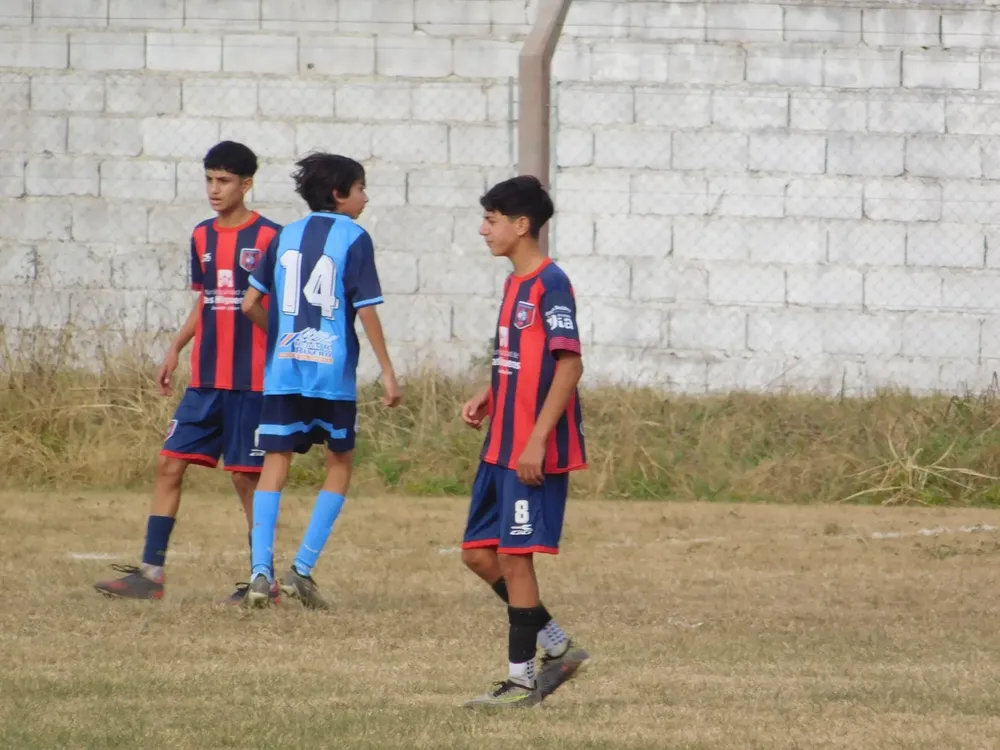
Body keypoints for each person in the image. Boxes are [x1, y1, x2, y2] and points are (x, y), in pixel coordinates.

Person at [94, 141, 283, 606]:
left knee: (246, 479)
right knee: (168, 463)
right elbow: (206, 298)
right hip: (205, 381)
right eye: (209, 180)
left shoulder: (272, 238)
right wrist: (177, 347)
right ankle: (151, 574)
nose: (214, 190)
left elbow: (280, 310)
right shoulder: (201, 236)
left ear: (246, 184)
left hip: (253, 381)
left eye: (224, 181)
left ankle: (265, 581)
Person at [240, 152, 402, 610]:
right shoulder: (355, 237)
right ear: (339, 194)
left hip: (284, 370)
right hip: (331, 374)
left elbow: (250, 303)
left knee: (276, 462)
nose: (365, 197)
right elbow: (366, 306)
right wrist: (387, 370)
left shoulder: (283, 236)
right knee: (339, 461)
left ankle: (259, 572)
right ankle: (302, 570)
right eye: (361, 188)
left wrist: (280, 336)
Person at [459, 175, 591, 708]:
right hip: (500, 444)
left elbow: (569, 363)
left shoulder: (550, 283)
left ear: (521, 226)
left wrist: (536, 440)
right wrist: (489, 393)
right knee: (476, 554)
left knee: (515, 558)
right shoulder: (514, 283)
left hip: (528, 449)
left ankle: (520, 682)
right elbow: (523, 360)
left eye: (491, 220)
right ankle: (557, 647)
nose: (483, 229)